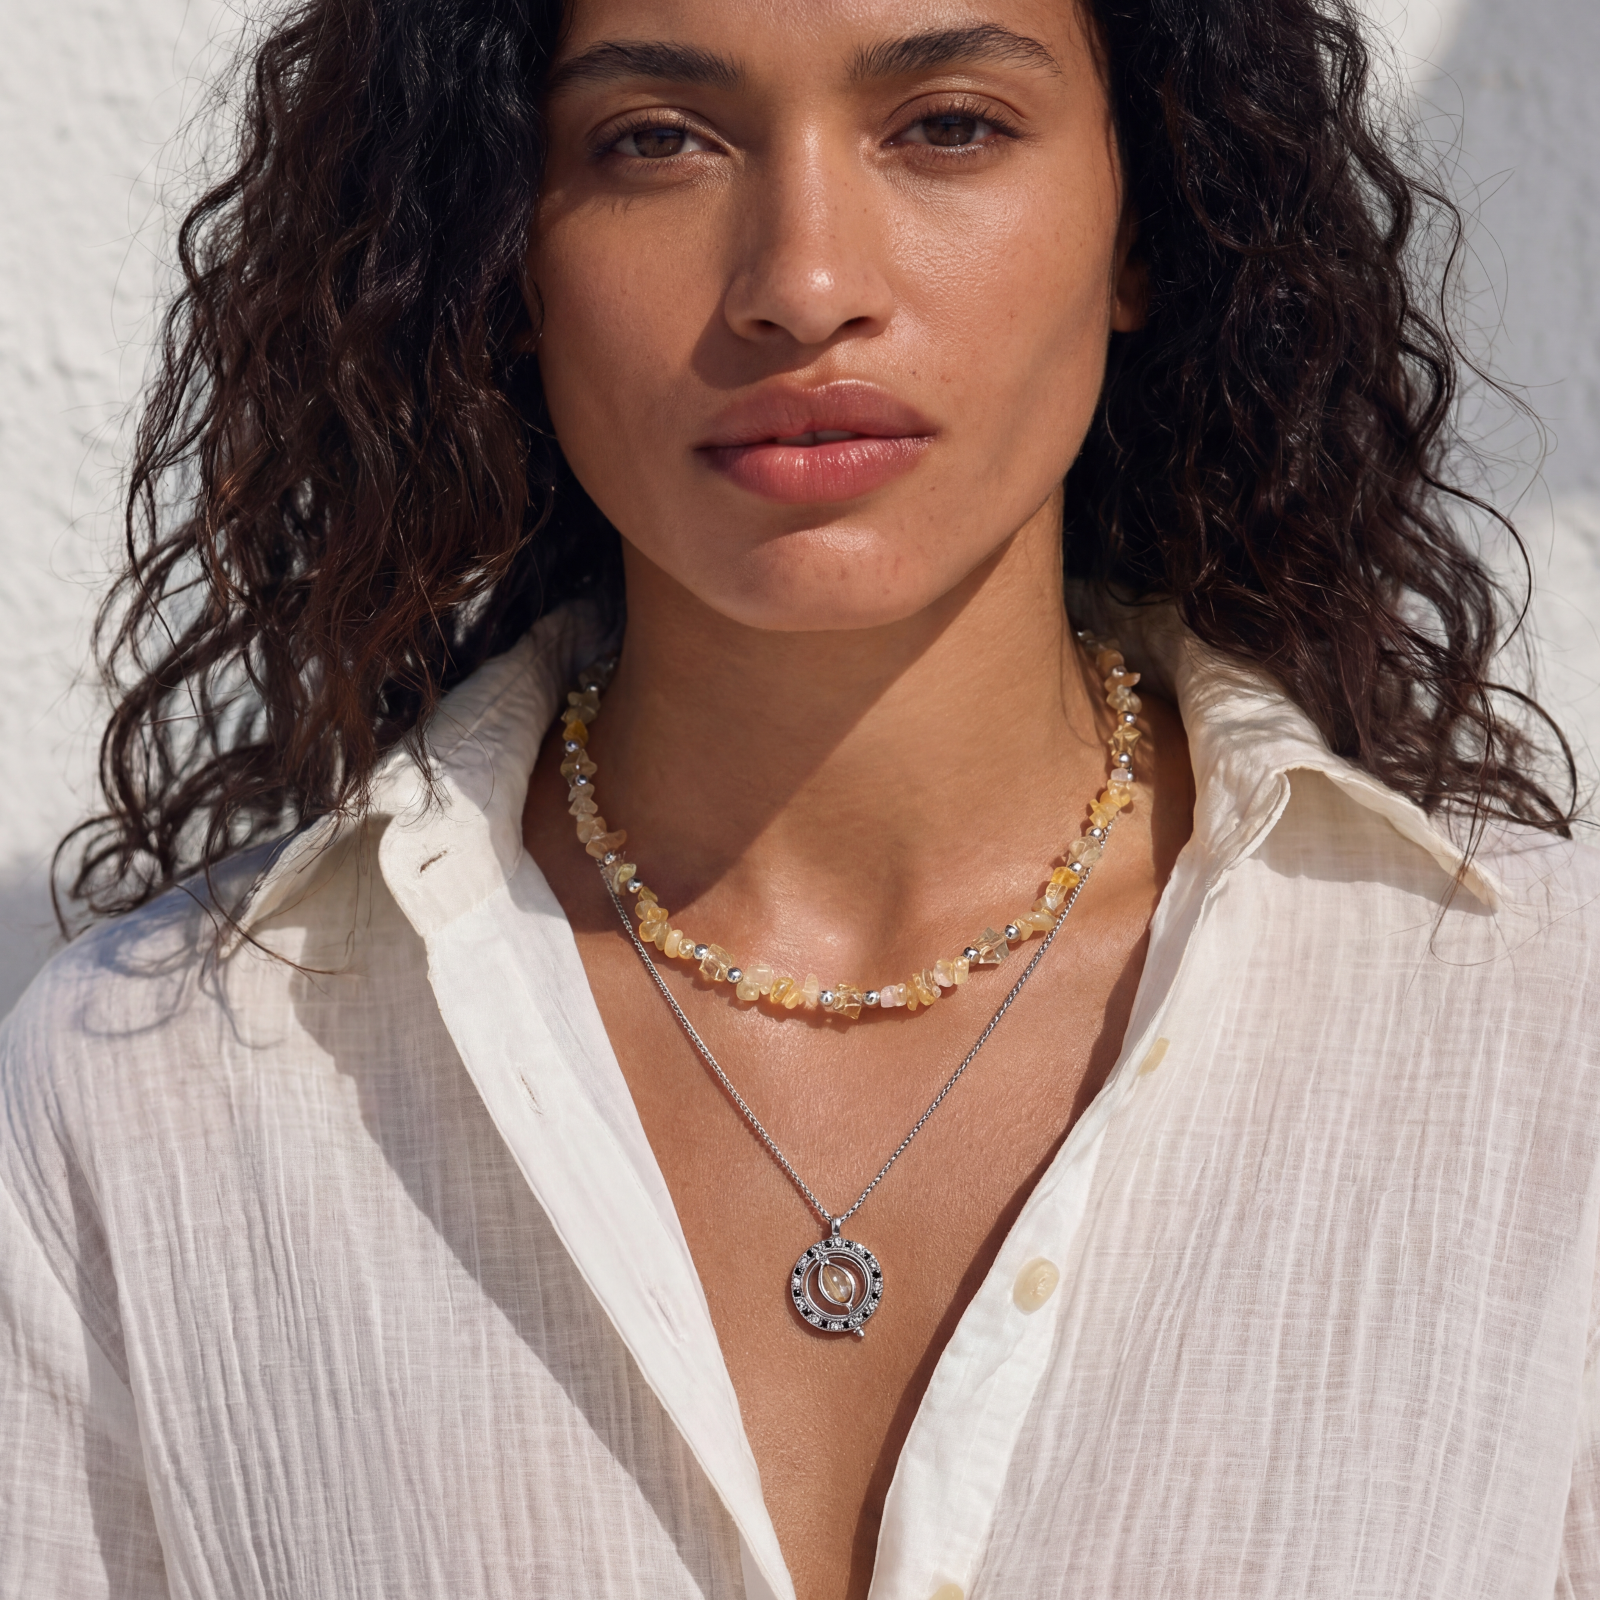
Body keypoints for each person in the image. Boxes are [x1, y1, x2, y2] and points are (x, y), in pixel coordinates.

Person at [3, 0, 1596, 1595]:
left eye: (948, 125)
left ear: (1146, 225)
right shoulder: (149, 1102)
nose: (803, 286)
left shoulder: (1542, 1041)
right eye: (656, 142)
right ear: (498, 254)